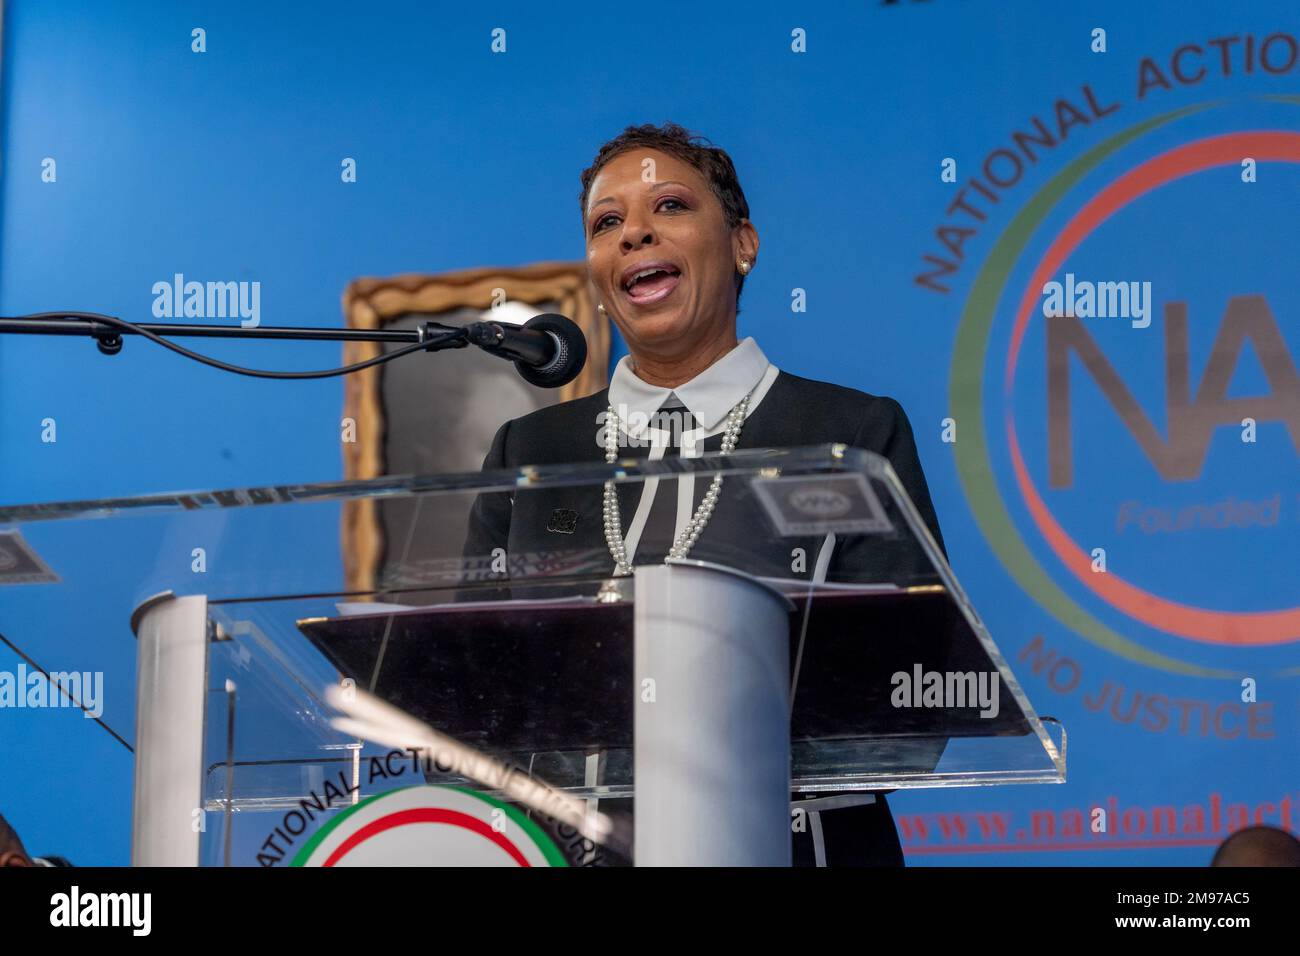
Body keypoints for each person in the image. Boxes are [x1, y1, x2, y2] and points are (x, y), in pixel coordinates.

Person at [464, 122, 947, 866]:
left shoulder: (849, 432)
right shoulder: (529, 453)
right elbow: (467, 689)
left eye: (671, 207)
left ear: (743, 244)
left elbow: (914, 687)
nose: (634, 235)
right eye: (607, 222)